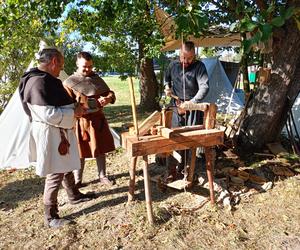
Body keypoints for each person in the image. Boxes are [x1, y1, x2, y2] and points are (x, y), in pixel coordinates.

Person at [19, 48, 95, 228]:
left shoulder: (43, 79)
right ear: (53, 61)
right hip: (51, 131)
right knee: (55, 172)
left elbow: (57, 105)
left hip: (57, 131)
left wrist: (75, 107)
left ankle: (73, 195)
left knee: (64, 164)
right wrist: (74, 112)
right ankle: (50, 216)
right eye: (60, 65)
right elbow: (49, 114)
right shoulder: (37, 82)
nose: (61, 69)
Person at [63, 52, 116, 187]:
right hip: (81, 122)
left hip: (98, 119)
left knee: (100, 148)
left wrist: (108, 98)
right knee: (80, 151)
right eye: (84, 67)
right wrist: (80, 106)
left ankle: (102, 176)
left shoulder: (96, 79)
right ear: (77, 64)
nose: (88, 69)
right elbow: (66, 104)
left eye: (90, 66)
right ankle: (78, 180)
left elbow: (110, 93)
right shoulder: (70, 82)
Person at [164, 41, 209, 181]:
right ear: (179, 54)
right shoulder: (172, 65)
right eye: (184, 58)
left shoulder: (199, 66)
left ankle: (187, 171)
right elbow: (167, 79)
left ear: (194, 55)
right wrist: (167, 87)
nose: (187, 61)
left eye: (190, 58)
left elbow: (204, 87)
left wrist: (192, 103)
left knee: (190, 139)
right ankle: (171, 171)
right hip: (176, 105)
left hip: (192, 107)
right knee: (173, 137)